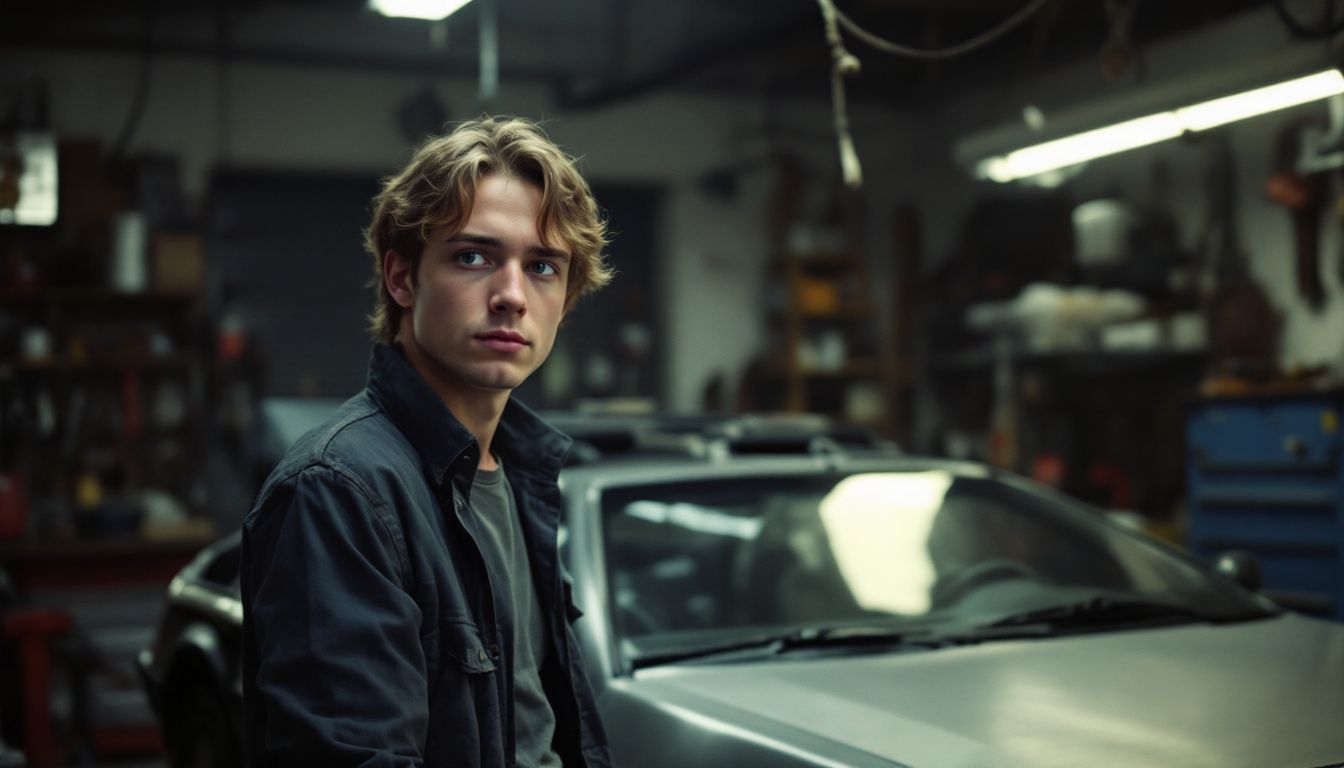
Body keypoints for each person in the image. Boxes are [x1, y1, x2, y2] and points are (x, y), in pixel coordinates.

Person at [240, 116, 613, 768]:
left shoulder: (521, 474)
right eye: (474, 257)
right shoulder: (338, 490)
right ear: (401, 278)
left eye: (543, 267)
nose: (511, 297)